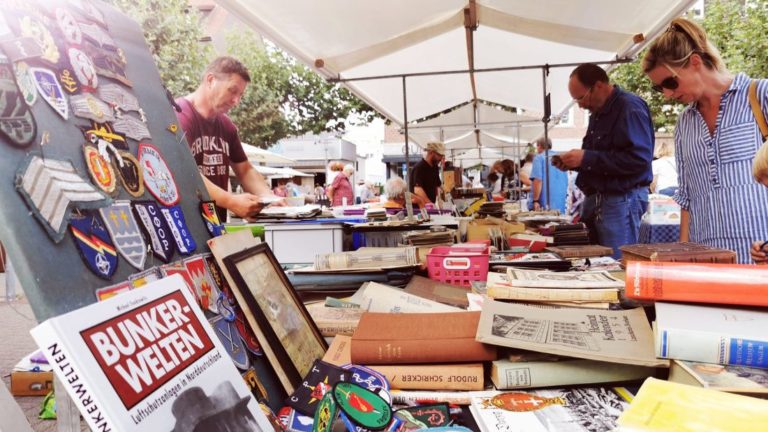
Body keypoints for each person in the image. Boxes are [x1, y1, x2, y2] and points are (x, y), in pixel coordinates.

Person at [644, 17, 768, 264]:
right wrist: (683, 257)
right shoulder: (684, 124)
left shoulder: (761, 96)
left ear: (695, 62)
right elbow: (687, 198)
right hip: (706, 265)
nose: (667, 94)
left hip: (759, 258)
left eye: (670, 82)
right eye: (660, 89)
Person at [554, 63, 654, 259]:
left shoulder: (629, 108)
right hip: (603, 199)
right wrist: (577, 162)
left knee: (617, 266)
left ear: (599, 85)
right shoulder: (599, 112)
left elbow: (639, 159)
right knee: (601, 264)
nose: (580, 105)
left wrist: (586, 158)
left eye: (581, 98)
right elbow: (601, 156)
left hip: (621, 199)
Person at [176, 56, 278, 220]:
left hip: (215, 222)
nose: (236, 101)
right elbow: (184, 172)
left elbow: (245, 170)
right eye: (232, 90)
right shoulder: (180, 116)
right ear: (210, 80)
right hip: (186, 224)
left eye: (240, 95)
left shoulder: (226, 126)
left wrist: (270, 199)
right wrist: (231, 201)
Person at [529, 137, 568, 213]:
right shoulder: (560, 158)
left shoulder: (539, 158)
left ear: (539, 146)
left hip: (545, 201)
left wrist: (535, 200)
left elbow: (538, 180)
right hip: (561, 199)